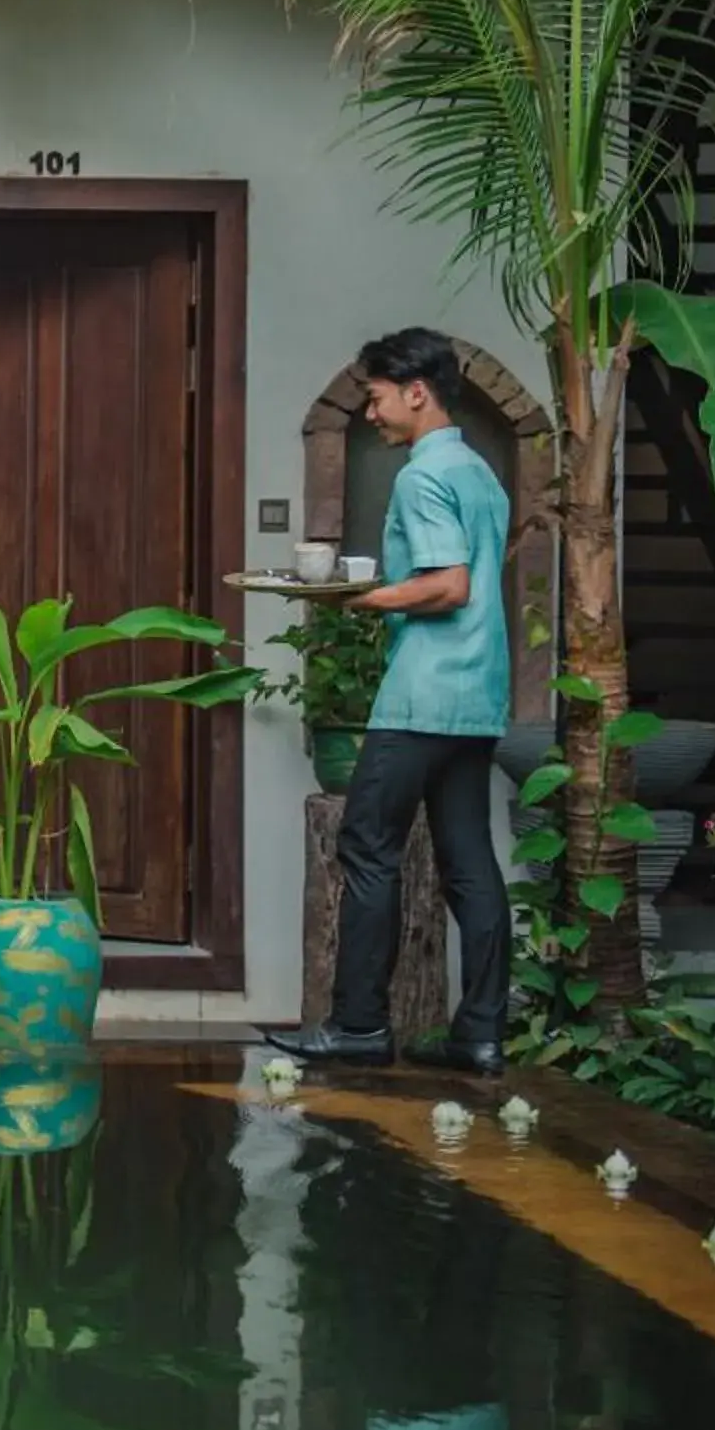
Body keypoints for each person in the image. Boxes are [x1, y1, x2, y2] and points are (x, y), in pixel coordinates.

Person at [265, 329, 514, 1075]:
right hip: (479, 695)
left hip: (423, 695)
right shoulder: (481, 473)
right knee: (469, 862)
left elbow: (448, 584)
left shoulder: (421, 477)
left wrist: (355, 597)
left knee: (367, 847)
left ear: (416, 391)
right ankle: (481, 1035)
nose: (371, 413)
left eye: (375, 397)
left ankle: (359, 1028)